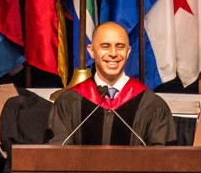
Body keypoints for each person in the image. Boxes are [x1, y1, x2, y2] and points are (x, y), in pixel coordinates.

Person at [47, 22, 177, 146]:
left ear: (128, 52)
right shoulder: (68, 102)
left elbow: (162, 160)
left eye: (120, 46)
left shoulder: (152, 105)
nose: (113, 53)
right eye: (105, 46)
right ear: (91, 51)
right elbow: (57, 155)